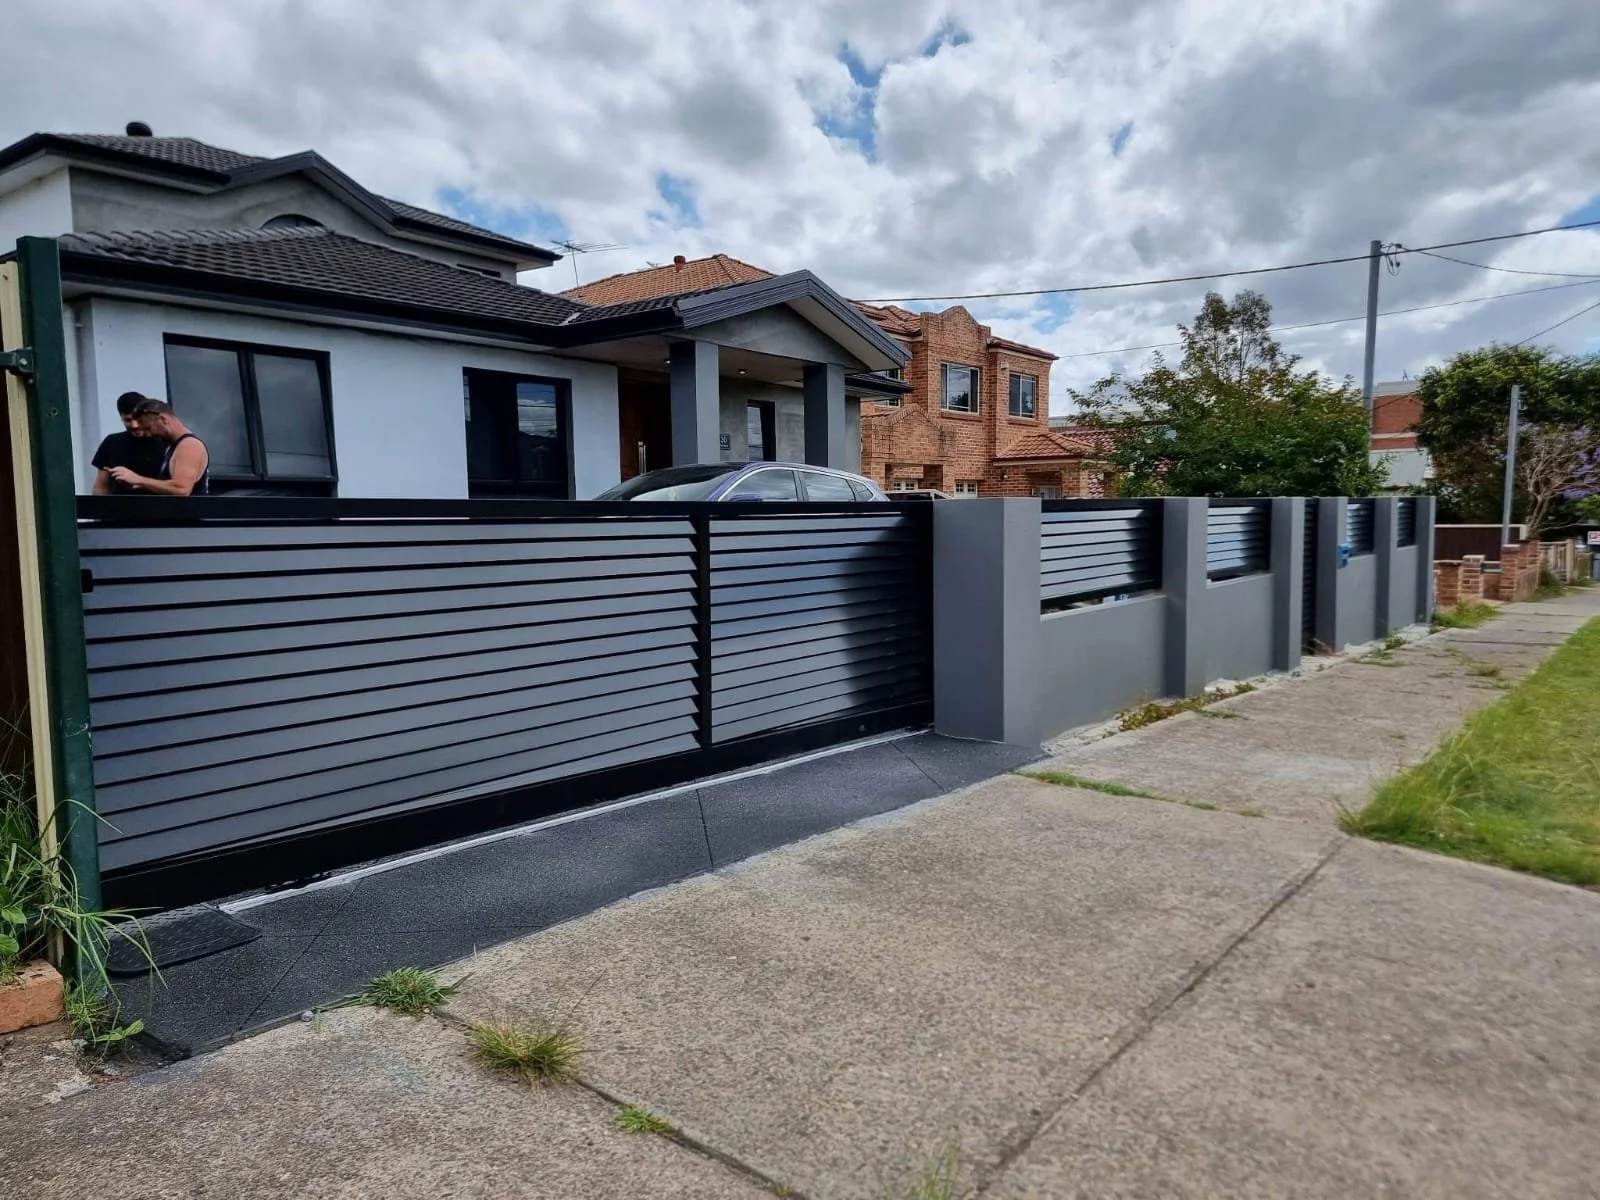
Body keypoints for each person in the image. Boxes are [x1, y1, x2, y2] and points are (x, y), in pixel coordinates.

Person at [107, 399, 210, 496]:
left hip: (188, 514)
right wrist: (142, 484)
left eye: (148, 428)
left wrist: (138, 479)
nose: (147, 434)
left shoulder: (189, 446)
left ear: (163, 419)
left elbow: (181, 489)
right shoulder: (174, 446)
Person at [90, 391, 168, 495]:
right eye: (128, 420)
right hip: (120, 509)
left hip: (160, 508)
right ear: (121, 418)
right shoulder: (111, 443)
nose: (134, 425)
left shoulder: (166, 442)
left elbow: (178, 486)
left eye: (138, 419)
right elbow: (101, 486)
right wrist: (97, 509)